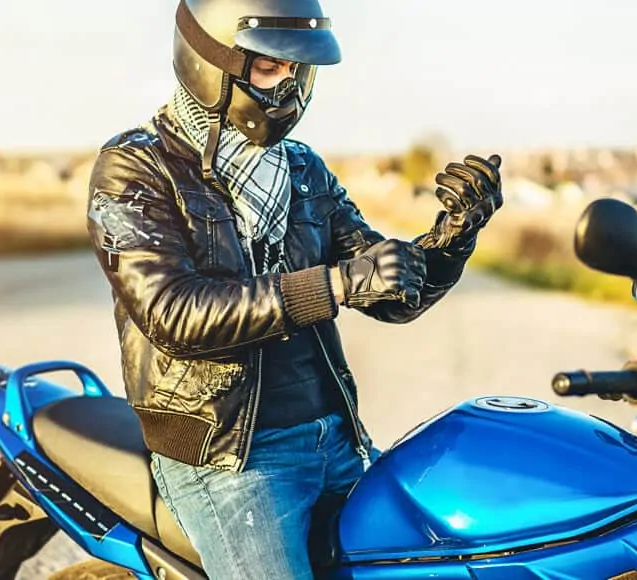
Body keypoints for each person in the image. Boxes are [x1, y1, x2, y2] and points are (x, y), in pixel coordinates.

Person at [85, 0, 503, 578]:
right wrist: (333, 286)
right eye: (268, 67)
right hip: (231, 458)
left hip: (333, 439)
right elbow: (172, 313)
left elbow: (387, 290)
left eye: (297, 69)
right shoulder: (137, 167)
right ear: (213, 63)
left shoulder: (301, 168)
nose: (288, 84)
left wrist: (454, 236)